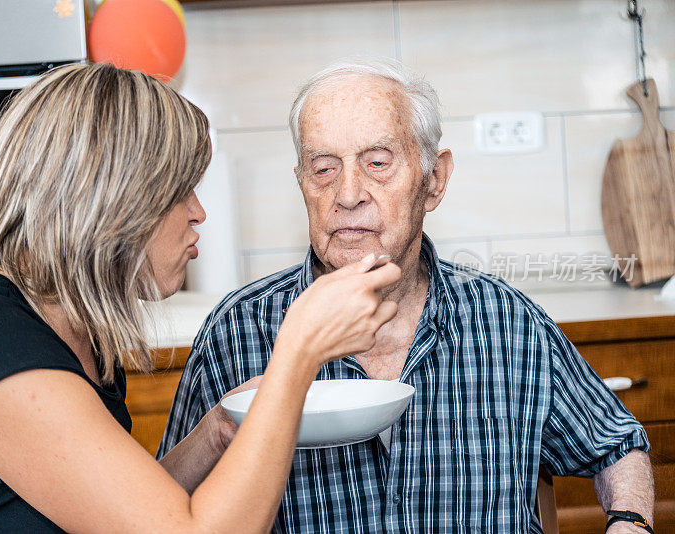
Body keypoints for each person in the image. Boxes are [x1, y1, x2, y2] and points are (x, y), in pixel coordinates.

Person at [0, 62, 402, 532]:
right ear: (115, 201)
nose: (198, 212)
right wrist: (298, 352)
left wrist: (217, 434)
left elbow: (120, 512)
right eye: (181, 190)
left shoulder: (74, 336)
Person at [159, 57, 655, 533]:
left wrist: (629, 522)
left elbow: (618, 445)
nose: (348, 193)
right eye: (323, 168)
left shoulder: (509, 323)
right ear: (301, 183)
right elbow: (161, 508)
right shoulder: (238, 332)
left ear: (434, 181)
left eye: (377, 162)